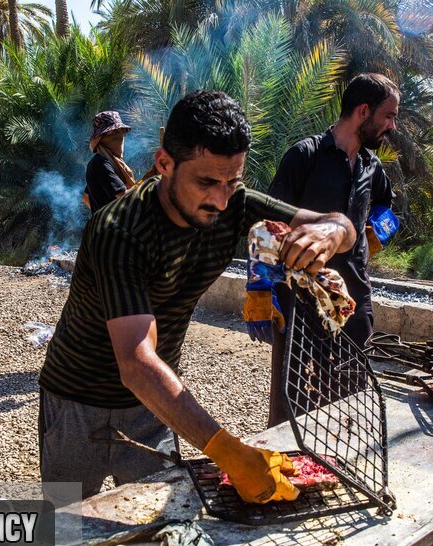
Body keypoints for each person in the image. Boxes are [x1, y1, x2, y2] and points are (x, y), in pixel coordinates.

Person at [39, 91, 356, 503]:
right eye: (206, 182)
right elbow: (136, 363)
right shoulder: (119, 229)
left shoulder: (233, 203)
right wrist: (229, 453)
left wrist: (330, 232)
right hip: (77, 401)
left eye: (232, 181)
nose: (221, 199)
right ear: (164, 163)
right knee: (65, 531)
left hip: (156, 405)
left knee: (155, 532)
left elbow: (342, 227)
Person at [261, 73, 399, 426]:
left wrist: (375, 234)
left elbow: (390, 209)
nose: (392, 126)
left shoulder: (372, 166)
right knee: (290, 390)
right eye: (388, 116)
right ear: (363, 111)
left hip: (353, 296)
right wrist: (262, 287)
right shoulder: (305, 155)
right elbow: (270, 221)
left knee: (349, 389)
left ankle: (336, 457)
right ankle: (286, 457)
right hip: (301, 296)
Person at [84, 110, 138, 214]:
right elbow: (122, 197)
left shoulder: (109, 162)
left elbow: (85, 197)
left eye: (121, 131)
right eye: (113, 132)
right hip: (112, 229)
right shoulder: (100, 163)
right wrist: (149, 181)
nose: (120, 136)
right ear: (101, 138)